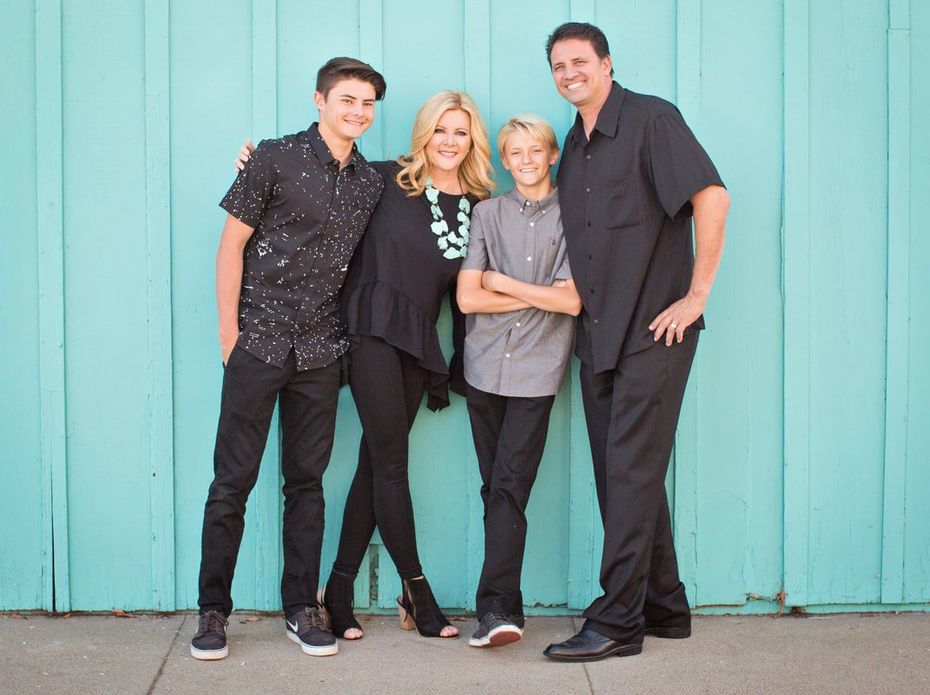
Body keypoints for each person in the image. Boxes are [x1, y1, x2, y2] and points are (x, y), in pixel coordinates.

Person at [238, 91, 495, 639]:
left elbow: (464, 294)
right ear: (424, 133)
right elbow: (319, 179)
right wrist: (257, 165)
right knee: (393, 464)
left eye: (461, 132)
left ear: (473, 141)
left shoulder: (478, 203)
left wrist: (461, 358)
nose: (449, 142)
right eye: (440, 130)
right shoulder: (383, 179)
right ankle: (418, 593)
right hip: (370, 329)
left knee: (375, 465)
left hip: (417, 338)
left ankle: (339, 587)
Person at [540, 23, 730, 662]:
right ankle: (664, 606)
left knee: (627, 472)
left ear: (606, 64)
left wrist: (696, 297)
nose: (570, 73)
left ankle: (618, 622)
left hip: (655, 330)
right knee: (621, 475)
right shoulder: (574, 144)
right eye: (559, 66)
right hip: (598, 336)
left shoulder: (652, 120)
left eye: (579, 62)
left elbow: (712, 197)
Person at [190, 57, 387, 661]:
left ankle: (302, 608)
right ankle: (213, 613)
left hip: (322, 352)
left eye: (367, 103)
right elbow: (231, 248)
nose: (357, 111)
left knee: (307, 485)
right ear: (320, 100)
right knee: (232, 483)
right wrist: (231, 337)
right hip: (258, 344)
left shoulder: (370, 183)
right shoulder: (274, 157)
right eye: (347, 99)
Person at [456, 114, 581, 648]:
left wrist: (502, 281)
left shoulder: (575, 218)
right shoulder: (487, 213)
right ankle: (507, 608)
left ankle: (497, 610)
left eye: (536, 150)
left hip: (536, 371)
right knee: (495, 488)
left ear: (552, 155)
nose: (526, 160)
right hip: (482, 366)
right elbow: (467, 299)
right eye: (515, 153)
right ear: (504, 161)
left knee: (508, 486)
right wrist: (536, 293)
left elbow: (571, 301)